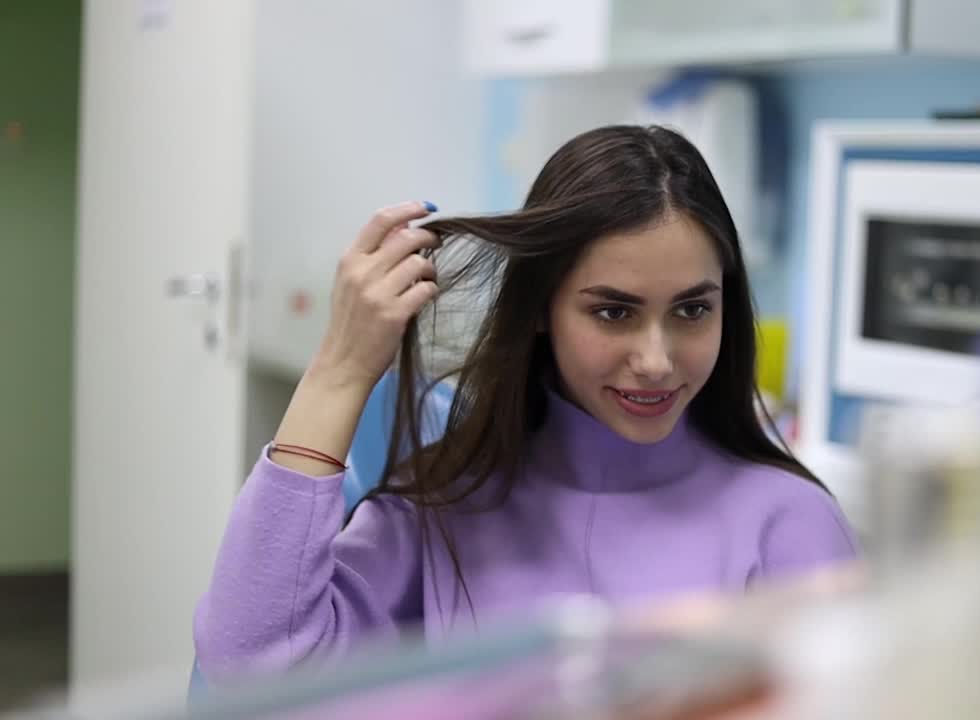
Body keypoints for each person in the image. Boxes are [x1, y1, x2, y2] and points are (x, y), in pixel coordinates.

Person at [193, 125, 857, 683]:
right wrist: (338, 372)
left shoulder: (788, 522)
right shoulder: (442, 509)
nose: (656, 359)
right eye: (613, 311)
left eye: (692, 309)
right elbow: (245, 667)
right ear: (542, 308)